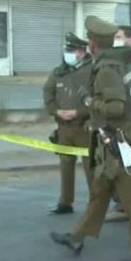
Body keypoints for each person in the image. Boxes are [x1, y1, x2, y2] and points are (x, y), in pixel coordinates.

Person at [50, 15, 131, 261]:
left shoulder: (108, 70)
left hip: (118, 143)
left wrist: (91, 102)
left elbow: (116, 107)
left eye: (89, 39)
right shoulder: (121, 63)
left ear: (93, 43)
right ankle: (77, 237)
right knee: (100, 192)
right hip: (117, 140)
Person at [43, 32, 94, 215]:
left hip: (85, 127)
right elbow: (48, 93)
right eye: (67, 50)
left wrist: (79, 112)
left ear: (82, 52)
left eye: (72, 51)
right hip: (64, 128)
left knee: (91, 167)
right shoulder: (59, 72)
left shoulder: (93, 70)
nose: (68, 54)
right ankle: (65, 202)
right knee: (65, 165)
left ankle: (96, 204)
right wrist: (56, 111)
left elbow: (99, 99)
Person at [105, 25, 131, 223]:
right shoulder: (120, 61)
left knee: (126, 167)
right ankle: (124, 205)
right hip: (126, 124)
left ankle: (127, 208)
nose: (116, 40)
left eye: (120, 37)